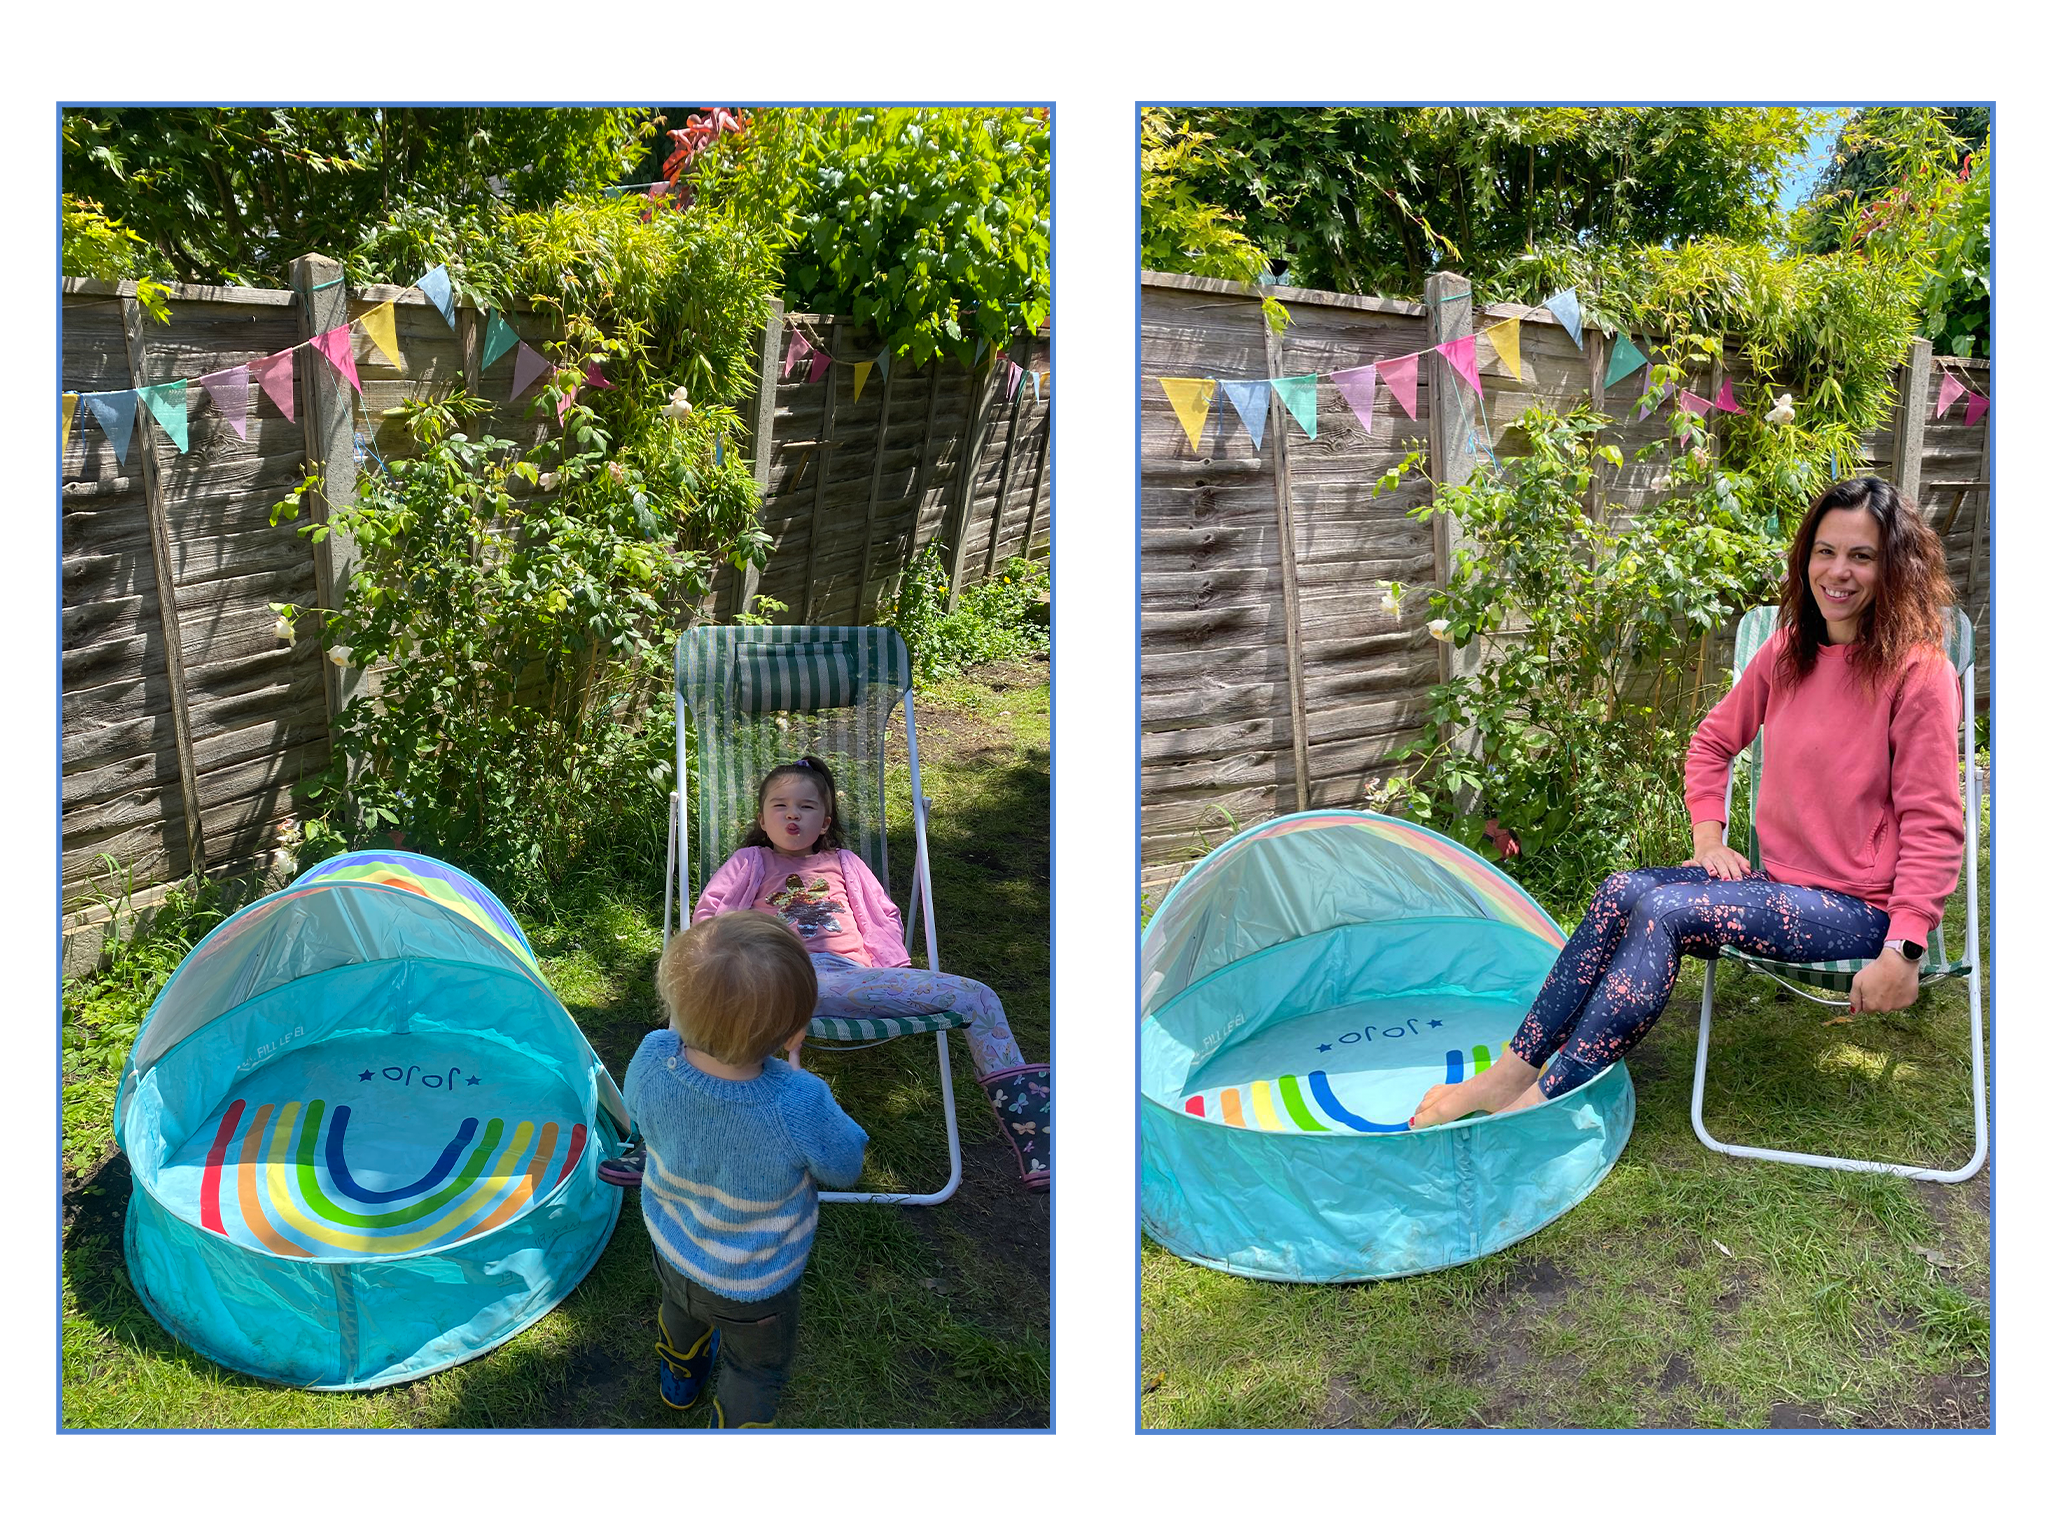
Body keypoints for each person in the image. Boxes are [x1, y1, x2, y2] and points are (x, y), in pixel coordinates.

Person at [1410, 477, 1965, 1129]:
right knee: (1622, 890)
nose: (1838, 572)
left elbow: (1934, 822)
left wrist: (1904, 949)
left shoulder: (1919, 672)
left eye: (1862, 556)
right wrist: (1709, 841)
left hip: (1862, 908)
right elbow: (1711, 743)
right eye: (1825, 551)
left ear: (1894, 566)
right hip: (1776, 885)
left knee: (1667, 911)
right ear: (1806, 557)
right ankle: (1508, 1076)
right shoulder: (1789, 650)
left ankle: (1539, 1104)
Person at [622, 910, 868, 1427]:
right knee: (756, 1371)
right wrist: (798, 1074)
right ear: (792, 1029)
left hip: (673, 1249)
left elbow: (641, 1114)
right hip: (757, 1287)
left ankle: (680, 1379)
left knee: (681, 1314)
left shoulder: (650, 1055)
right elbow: (845, 1166)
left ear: (675, 1004)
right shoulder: (799, 1101)